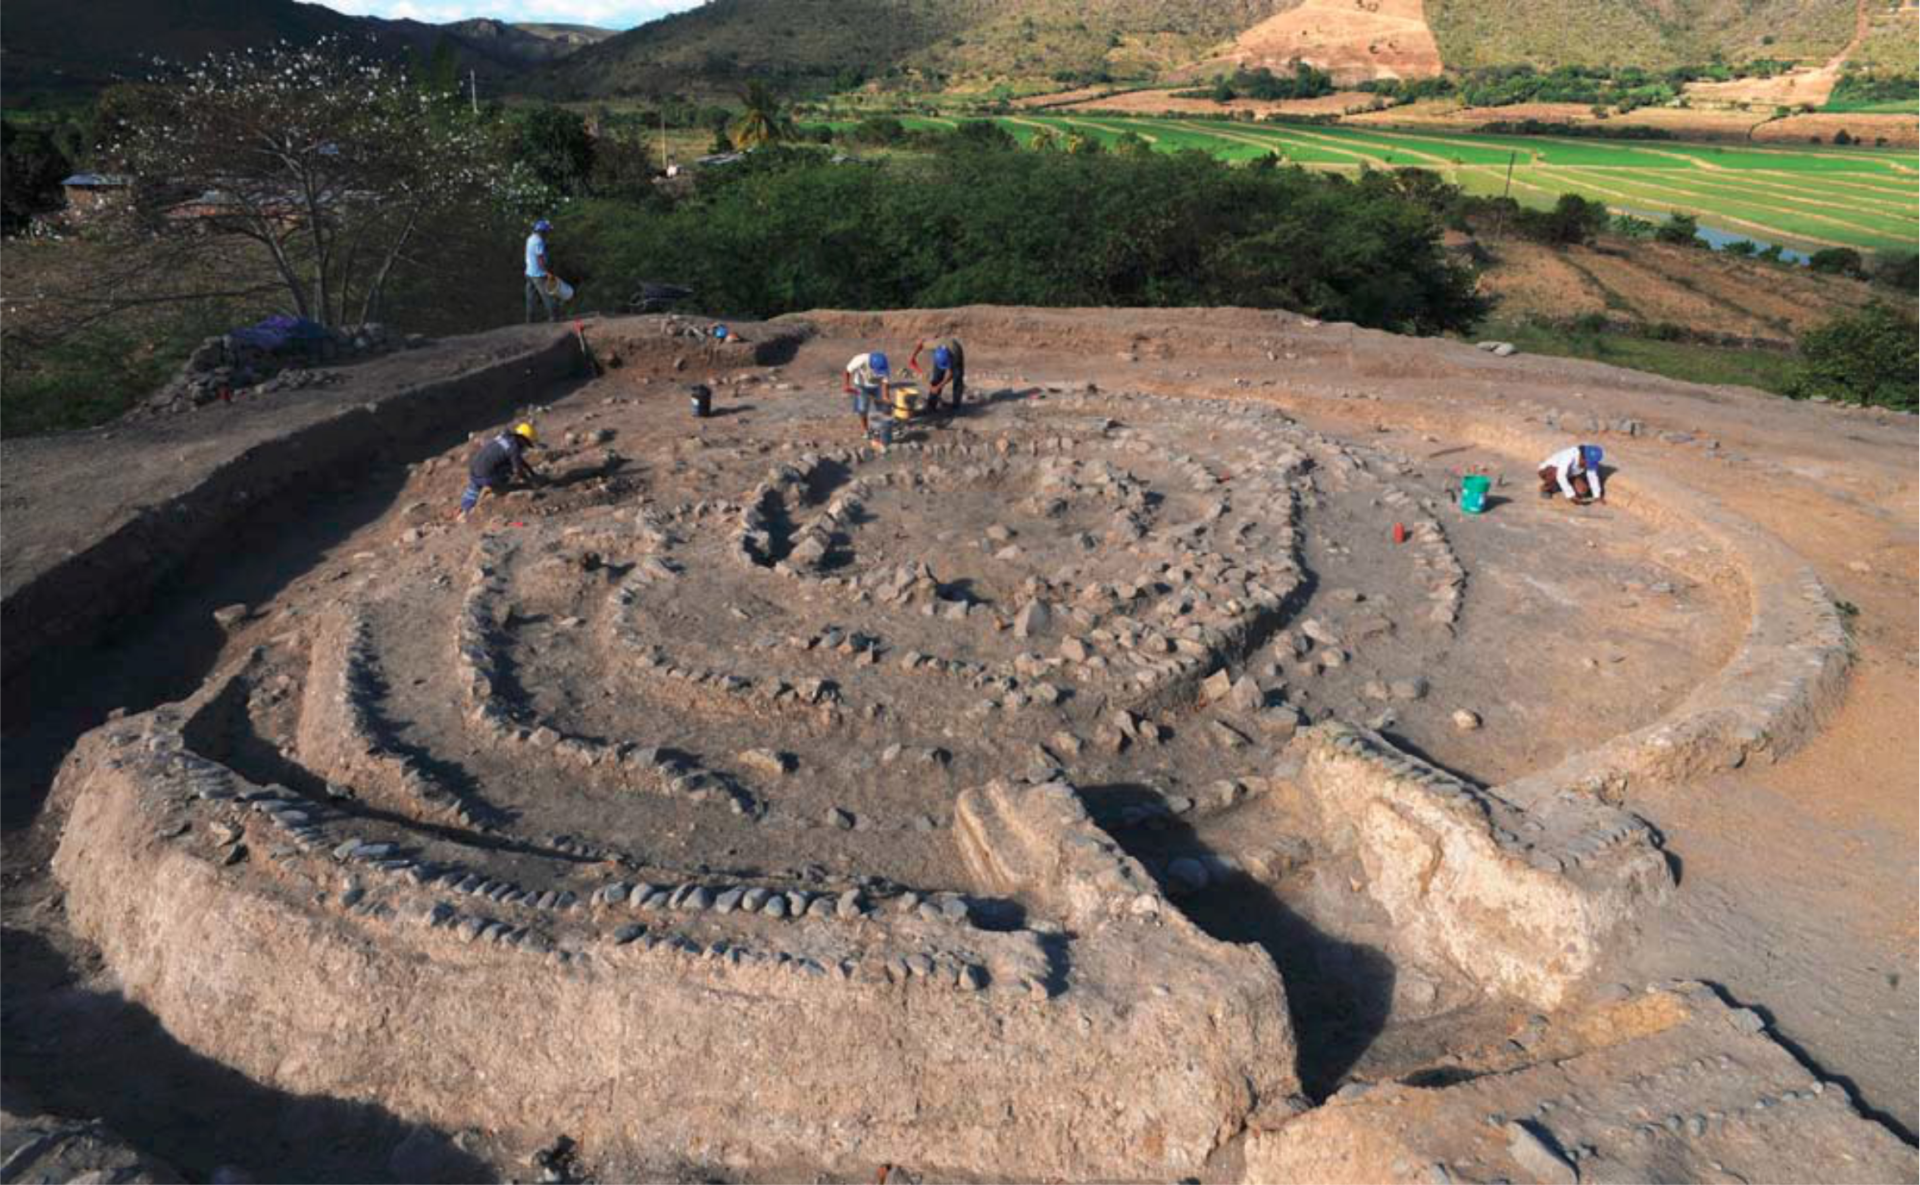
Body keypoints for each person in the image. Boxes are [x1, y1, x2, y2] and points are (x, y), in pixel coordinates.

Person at [460, 422, 545, 516]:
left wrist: (532, 472)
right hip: (485, 476)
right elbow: (518, 470)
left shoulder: (504, 437)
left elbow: (518, 459)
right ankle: (498, 488)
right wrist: (529, 483)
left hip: (474, 472)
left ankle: (466, 507)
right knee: (509, 469)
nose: (526, 446)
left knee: (476, 484)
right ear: (522, 438)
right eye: (527, 443)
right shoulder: (514, 448)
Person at [908, 337, 966, 412]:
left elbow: (950, 375)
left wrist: (939, 386)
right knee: (937, 377)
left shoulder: (955, 355)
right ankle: (931, 404)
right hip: (941, 354)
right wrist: (913, 356)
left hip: (955, 350)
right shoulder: (934, 345)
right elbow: (921, 344)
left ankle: (956, 405)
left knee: (957, 377)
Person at [843, 350, 892, 439]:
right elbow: (847, 370)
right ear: (871, 365)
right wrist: (846, 384)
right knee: (862, 409)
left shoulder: (884, 366)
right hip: (861, 386)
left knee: (883, 408)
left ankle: (883, 428)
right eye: (877, 371)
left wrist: (886, 396)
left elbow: (885, 381)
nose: (879, 373)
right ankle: (866, 430)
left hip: (877, 386)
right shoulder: (860, 360)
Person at [1538, 443, 1606, 504]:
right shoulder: (1569, 456)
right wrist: (1570, 495)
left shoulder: (1587, 460)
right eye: (1587, 462)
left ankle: (1561, 485)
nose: (1587, 465)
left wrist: (1597, 496)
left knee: (1582, 490)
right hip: (1548, 471)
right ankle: (1546, 488)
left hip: (1568, 475)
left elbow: (1592, 477)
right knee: (1556, 474)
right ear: (1582, 457)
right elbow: (1560, 475)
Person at [525, 219, 556, 324]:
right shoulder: (539, 241)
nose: (548, 233)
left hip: (529, 272)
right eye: (546, 231)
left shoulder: (530, 238)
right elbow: (540, 259)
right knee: (547, 295)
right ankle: (553, 318)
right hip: (538, 274)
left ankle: (530, 320)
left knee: (531, 298)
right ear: (542, 231)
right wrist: (547, 272)